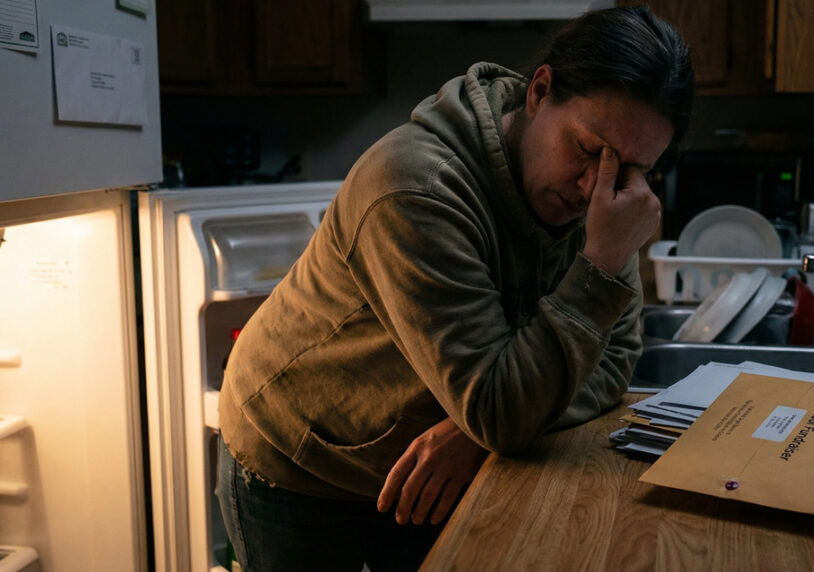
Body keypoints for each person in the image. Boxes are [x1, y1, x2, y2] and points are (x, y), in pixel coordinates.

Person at [217, 5, 694, 571]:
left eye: (630, 171)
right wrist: (600, 264)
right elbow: (502, 411)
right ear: (540, 91)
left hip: (433, 449)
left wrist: (477, 434)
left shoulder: (600, 202)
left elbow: (613, 361)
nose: (597, 189)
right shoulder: (414, 188)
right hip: (300, 456)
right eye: (587, 149)